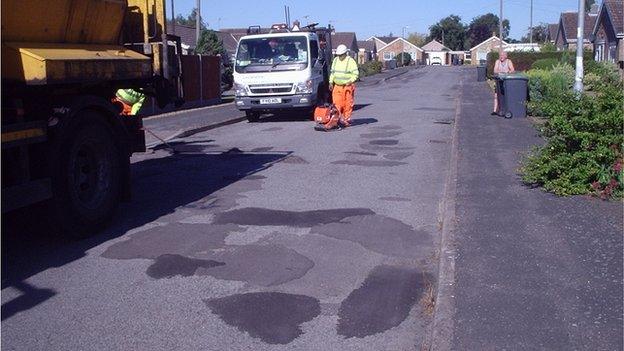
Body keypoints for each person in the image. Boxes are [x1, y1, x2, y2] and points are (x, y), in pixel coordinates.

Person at [329, 44, 359, 126]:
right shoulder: (335, 60)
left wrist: (350, 81)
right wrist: (331, 82)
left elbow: (355, 74)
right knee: (337, 104)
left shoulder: (350, 61)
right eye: (338, 55)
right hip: (337, 86)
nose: (340, 57)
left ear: (346, 53)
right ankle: (337, 118)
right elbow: (332, 73)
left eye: (341, 55)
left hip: (347, 86)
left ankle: (346, 119)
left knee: (347, 104)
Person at [492, 50, 515, 115]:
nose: (501, 57)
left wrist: (504, 72)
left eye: (502, 55)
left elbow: (512, 70)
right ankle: (495, 111)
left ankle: (506, 109)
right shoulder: (497, 61)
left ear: (506, 56)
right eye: (500, 55)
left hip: (506, 81)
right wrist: (505, 71)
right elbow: (495, 71)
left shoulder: (509, 61)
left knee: (506, 96)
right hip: (498, 81)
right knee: (496, 95)